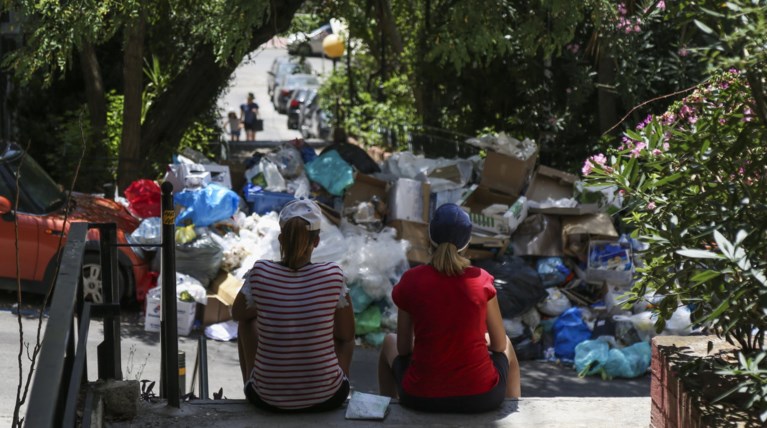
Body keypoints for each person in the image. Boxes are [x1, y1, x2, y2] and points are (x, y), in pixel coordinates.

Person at [378, 203, 521, 413]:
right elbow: (499, 346)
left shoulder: (411, 281)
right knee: (507, 343)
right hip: (481, 396)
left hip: (419, 396)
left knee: (388, 342)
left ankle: (387, 411)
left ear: (429, 240)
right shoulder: (481, 281)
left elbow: (403, 349)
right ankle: (515, 415)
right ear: (467, 243)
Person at [232, 198, 355, 412]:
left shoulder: (260, 273)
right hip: (329, 398)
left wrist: (272, 303)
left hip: (265, 399)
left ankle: (252, 383)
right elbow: (346, 337)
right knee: (342, 334)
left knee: (246, 322)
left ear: (281, 239)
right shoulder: (333, 276)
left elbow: (237, 313)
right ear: (316, 242)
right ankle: (330, 382)